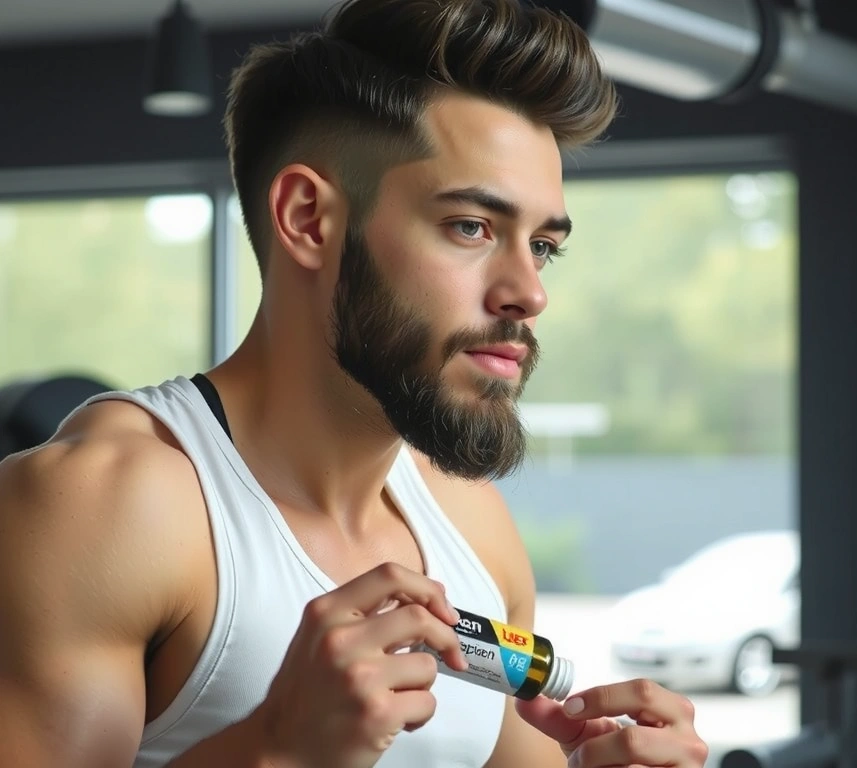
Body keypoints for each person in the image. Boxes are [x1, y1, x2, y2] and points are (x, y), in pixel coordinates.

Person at [0, 1, 709, 766]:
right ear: (308, 218)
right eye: (471, 227)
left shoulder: (473, 525)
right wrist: (275, 748)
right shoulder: (101, 506)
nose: (529, 293)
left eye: (541, 246)